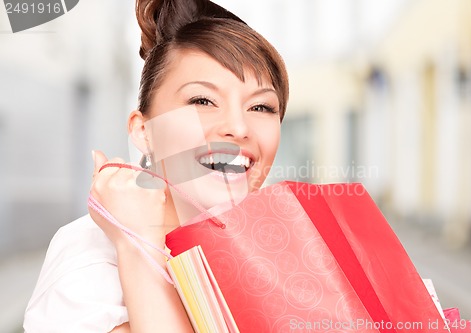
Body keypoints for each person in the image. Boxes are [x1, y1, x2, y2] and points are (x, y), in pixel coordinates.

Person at [23, 0, 289, 332]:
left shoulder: (277, 253)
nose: (239, 127)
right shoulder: (90, 257)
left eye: (261, 106)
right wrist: (135, 244)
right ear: (143, 130)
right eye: (202, 101)